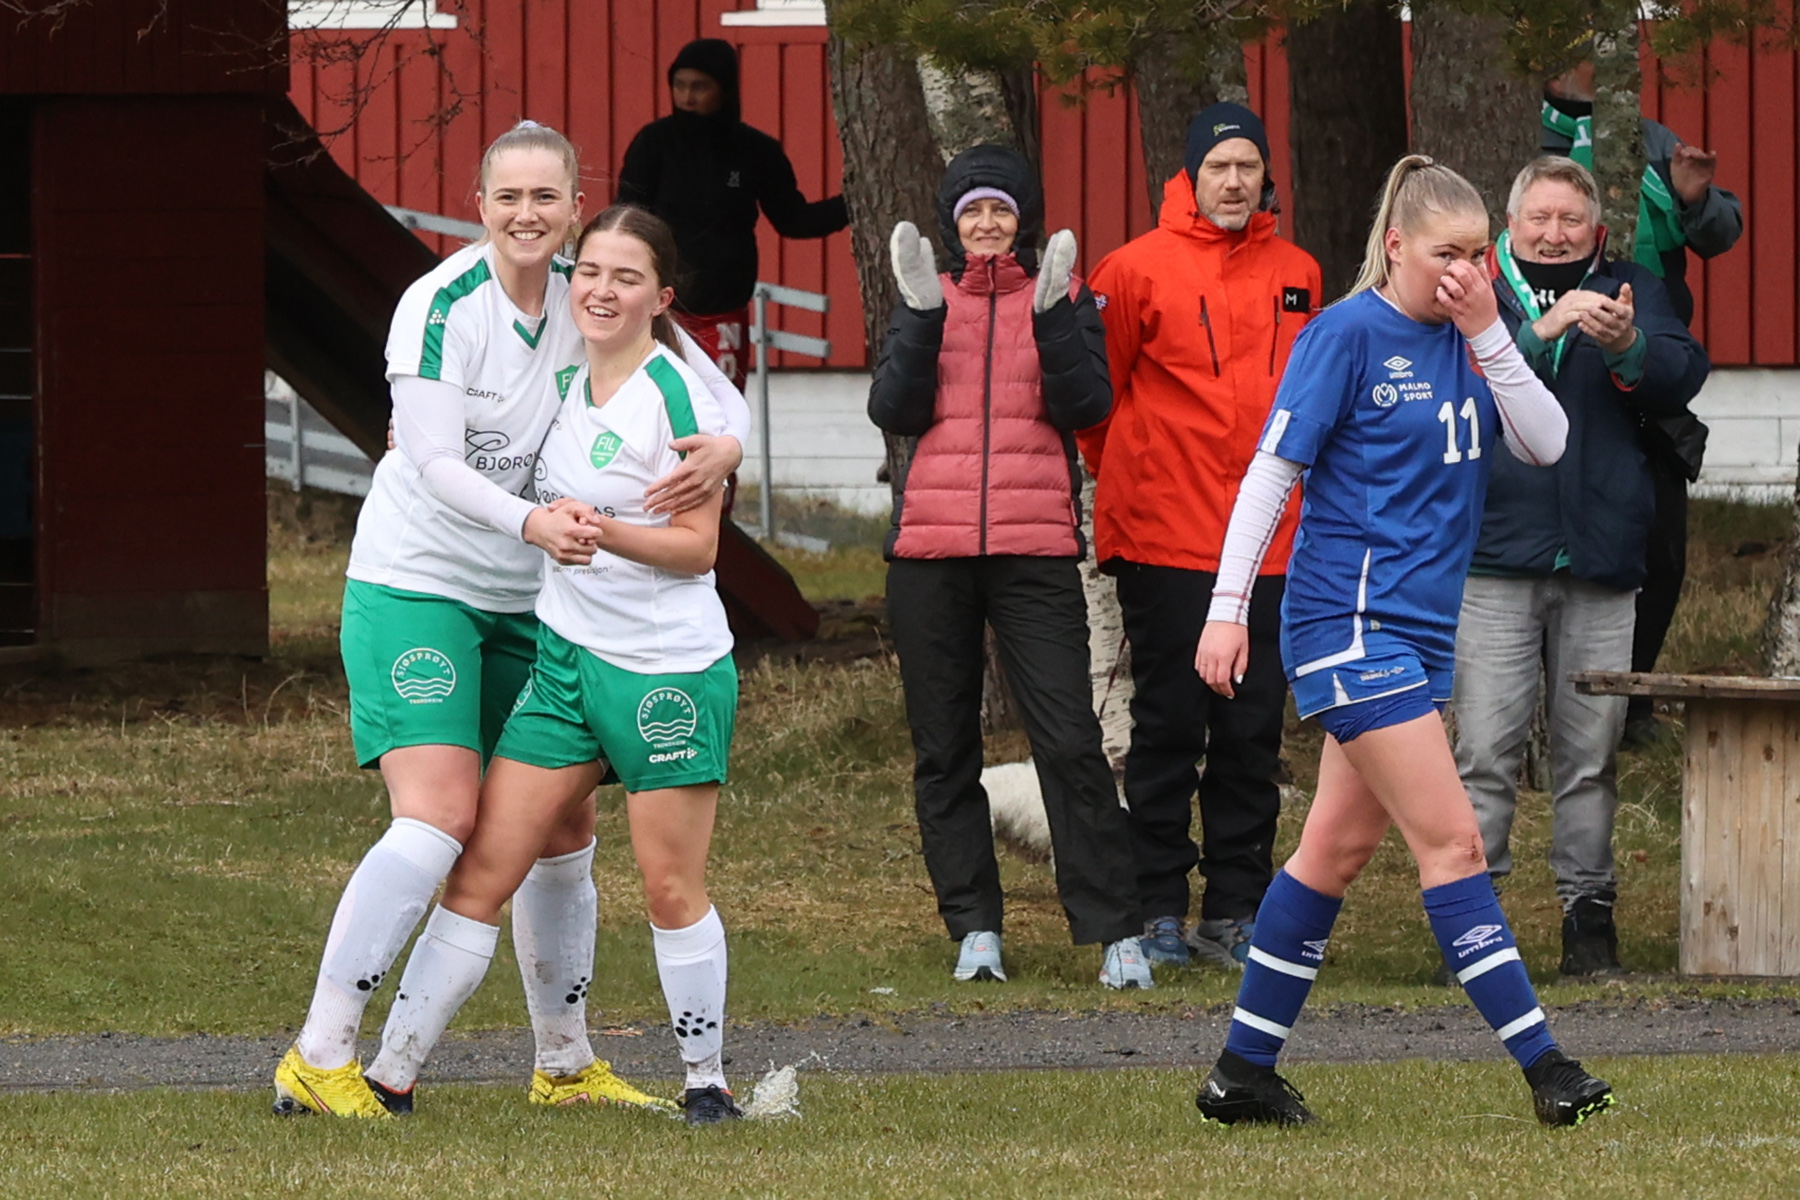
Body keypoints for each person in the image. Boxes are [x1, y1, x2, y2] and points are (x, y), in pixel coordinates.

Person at [273, 124, 749, 1120]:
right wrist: (533, 520)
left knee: (564, 822)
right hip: (422, 585)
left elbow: (707, 391)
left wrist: (725, 452)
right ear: (480, 203)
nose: (527, 215)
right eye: (507, 198)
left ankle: (564, 1064)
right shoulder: (440, 305)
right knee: (444, 812)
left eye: (546, 197)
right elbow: (434, 462)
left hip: (532, 601)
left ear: (576, 204)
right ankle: (321, 1054)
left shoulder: (594, 288)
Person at [1190, 155, 1615, 1129]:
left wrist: (1490, 335)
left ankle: (1240, 1076)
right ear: (1395, 247)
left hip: (1419, 639)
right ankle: (1548, 1070)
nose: (1464, 270)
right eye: (1445, 254)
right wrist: (1226, 607)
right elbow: (1270, 475)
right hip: (1345, 625)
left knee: (1330, 855)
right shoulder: (1347, 334)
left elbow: (1546, 441)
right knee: (1454, 840)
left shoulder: (1475, 331)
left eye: (1478, 253)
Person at [869, 143, 1149, 990]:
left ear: (1022, 219)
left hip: (1034, 550)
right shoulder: (928, 295)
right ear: (954, 223)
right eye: (971, 211)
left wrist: (1058, 320)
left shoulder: (1056, 295)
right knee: (942, 748)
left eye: (1000, 210)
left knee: (1070, 740)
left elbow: (1088, 404)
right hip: (931, 553)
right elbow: (893, 408)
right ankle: (975, 930)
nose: (986, 225)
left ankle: (1115, 932)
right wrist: (920, 319)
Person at [1077, 103, 1323, 969]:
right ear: (1189, 174)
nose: (1233, 181)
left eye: (1247, 166)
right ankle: (1155, 908)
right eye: (1218, 166)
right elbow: (1092, 397)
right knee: (1171, 725)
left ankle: (1236, 907)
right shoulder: (1134, 269)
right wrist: (1139, 478)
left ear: (1264, 177)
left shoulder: (1298, 270)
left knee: (1253, 730)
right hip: (1165, 534)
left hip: (1272, 543)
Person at [1456, 156, 1709, 976]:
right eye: (1540, 218)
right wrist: (1539, 330)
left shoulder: (1632, 284)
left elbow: (1683, 374)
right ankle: (1474, 928)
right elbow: (1454, 394)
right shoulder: (1474, 292)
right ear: (1511, 223)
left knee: (1588, 756)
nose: (1555, 234)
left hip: (1602, 556)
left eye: (1571, 220)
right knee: (1484, 750)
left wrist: (1629, 345)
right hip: (1493, 556)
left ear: (1597, 229)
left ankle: (1588, 924)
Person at [1540, 63, 1743, 746]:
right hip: (1554, 367)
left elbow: (1722, 232)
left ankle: (1631, 704)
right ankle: (1553, 702)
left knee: (1661, 548)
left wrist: (1694, 200)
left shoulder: (1646, 138)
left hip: (1645, 358)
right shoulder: (1531, 135)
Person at [617, 37, 849, 389]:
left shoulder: (757, 151)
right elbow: (628, 220)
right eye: (679, 85)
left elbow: (794, 220)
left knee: (719, 419)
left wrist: (853, 204)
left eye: (699, 86)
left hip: (723, 313)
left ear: (724, 89)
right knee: (657, 414)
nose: (687, 96)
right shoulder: (653, 144)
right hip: (661, 312)